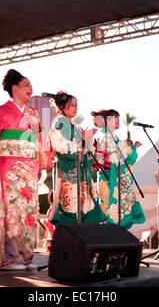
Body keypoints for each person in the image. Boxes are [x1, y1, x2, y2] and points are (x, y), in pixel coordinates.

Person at [0, 69, 51, 270]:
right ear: (14, 88)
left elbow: (38, 140)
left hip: (29, 168)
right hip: (8, 168)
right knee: (11, 211)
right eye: (26, 85)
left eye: (30, 85)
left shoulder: (32, 114)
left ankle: (25, 257)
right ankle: (8, 258)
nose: (30, 89)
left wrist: (40, 162)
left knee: (29, 212)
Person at [47, 92, 106, 225]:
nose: (75, 108)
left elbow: (85, 151)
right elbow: (61, 147)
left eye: (76, 105)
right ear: (61, 106)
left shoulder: (76, 127)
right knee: (71, 206)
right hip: (67, 173)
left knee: (83, 206)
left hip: (81, 174)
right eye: (71, 105)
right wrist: (83, 139)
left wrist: (89, 141)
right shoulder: (59, 124)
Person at [93, 109, 145, 229]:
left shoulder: (107, 135)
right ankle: (108, 242)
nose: (117, 120)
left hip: (108, 175)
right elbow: (118, 154)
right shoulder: (106, 135)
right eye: (114, 117)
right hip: (109, 176)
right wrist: (133, 147)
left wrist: (130, 148)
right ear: (107, 120)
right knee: (109, 210)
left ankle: (109, 242)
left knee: (108, 210)